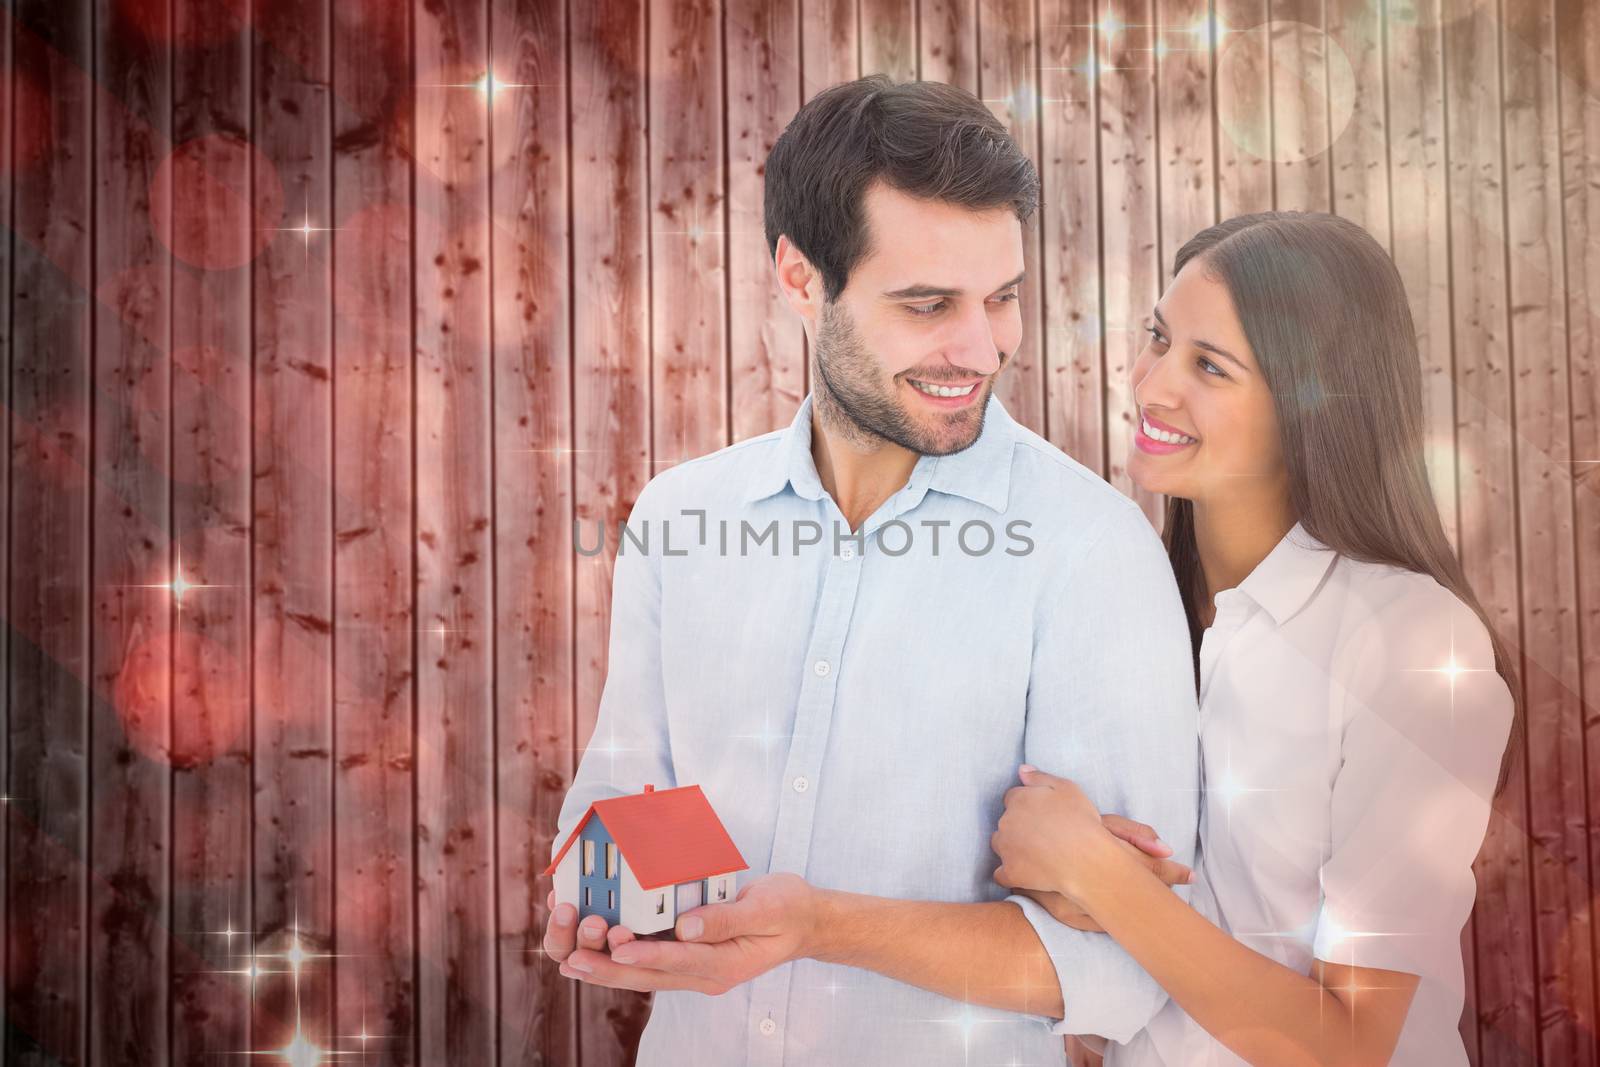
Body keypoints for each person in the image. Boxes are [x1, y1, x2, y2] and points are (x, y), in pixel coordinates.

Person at [540, 74, 1201, 1064]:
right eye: (928, 302)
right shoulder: (684, 518)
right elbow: (622, 797)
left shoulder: (1091, 550)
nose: (981, 347)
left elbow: (1128, 970)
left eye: (1003, 298)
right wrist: (594, 912)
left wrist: (821, 923)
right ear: (801, 279)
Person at [989, 211, 1519, 1067]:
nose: (1153, 385)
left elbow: (1351, 1044)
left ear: (1313, 405)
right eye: (1159, 339)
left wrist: (1101, 876)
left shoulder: (1415, 644)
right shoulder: (1127, 612)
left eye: (1210, 366)